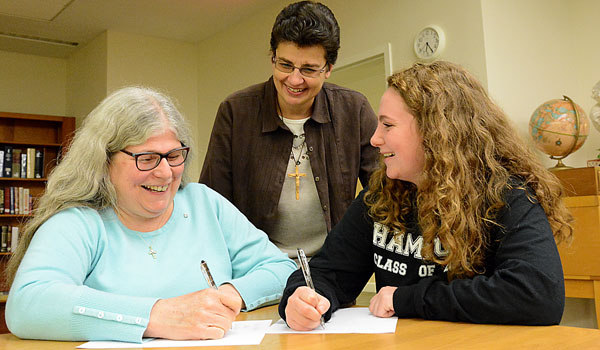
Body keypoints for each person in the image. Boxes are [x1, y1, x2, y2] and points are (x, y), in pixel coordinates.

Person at [279, 61, 574, 330]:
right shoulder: (381, 195)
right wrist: (301, 297)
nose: (374, 139)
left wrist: (406, 299)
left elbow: (537, 295)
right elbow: (329, 272)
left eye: (388, 125)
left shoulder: (507, 194)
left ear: (436, 132)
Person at [5, 86, 296, 343]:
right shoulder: (78, 221)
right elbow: (28, 304)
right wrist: (158, 315)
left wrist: (226, 296)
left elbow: (280, 270)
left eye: (173, 156)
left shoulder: (204, 203)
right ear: (103, 161)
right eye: (146, 158)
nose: (165, 173)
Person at [199, 1, 378, 259]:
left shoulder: (354, 109)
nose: (294, 80)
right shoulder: (236, 111)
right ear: (272, 58)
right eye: (285, 65)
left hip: (331, 266)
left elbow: (386, 192)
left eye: (308, 69)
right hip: (257, 265)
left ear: (328, 69)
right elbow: (212, 204)